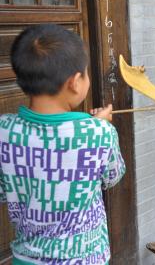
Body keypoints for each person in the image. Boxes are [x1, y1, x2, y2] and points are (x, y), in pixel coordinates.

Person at [0, 24, 125, 265]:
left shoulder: (5, 130)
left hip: (26, 258)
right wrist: (98, 127)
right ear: (75, 82)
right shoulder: (99, 133)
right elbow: (111, 177)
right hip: (84, 259)